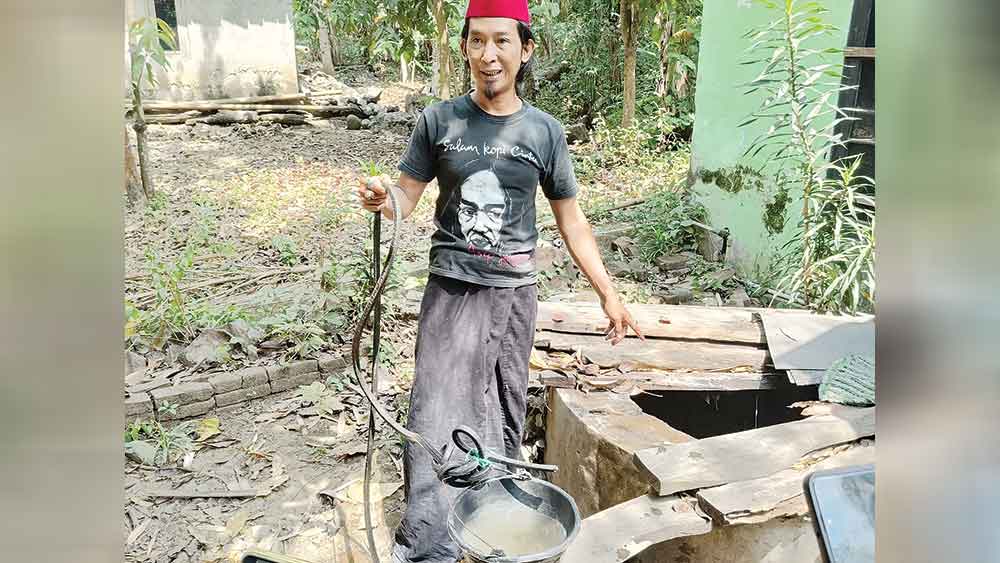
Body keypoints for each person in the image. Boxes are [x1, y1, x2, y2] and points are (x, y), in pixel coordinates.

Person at [355, 1, 643, 560]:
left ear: (525, 49)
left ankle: (489, 530)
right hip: (452, 290)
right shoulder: (439, 121)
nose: (489, 55)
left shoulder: (543, 131)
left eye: (502, 41)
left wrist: (609, 293)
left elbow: (571, 220)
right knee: (436, 411)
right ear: (465, 46)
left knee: (500, 409)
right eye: (477, 40)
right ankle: (429, 545)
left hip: (514, 297)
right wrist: (382, 199)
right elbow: (406, 198)